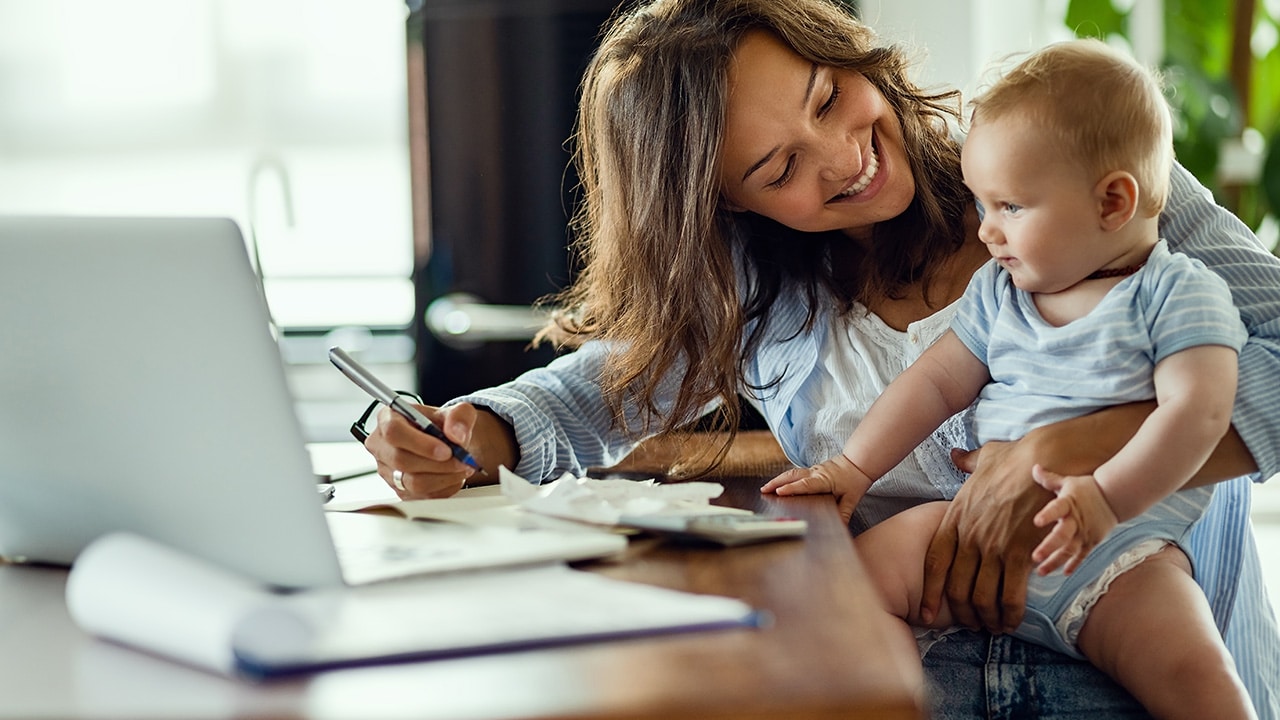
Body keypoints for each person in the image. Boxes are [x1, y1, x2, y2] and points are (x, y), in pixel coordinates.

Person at [362, 0, 1280, 716]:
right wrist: (477, 429)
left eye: (831, 99)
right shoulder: (761, 284)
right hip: (914, 678)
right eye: (778, 171)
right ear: (728, 210)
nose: (844, 159)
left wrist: (1068, 450)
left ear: (844, 52)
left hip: (1139, 664)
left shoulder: (1077, 173)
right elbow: (589, 398)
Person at [761, 38, 1254, 718]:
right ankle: (895, 702)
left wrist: (1104, 499)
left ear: (1112, 204)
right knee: (847, 587)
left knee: (1196, 675)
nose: (987, 232)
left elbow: (1199, 413)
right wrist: (853, 466)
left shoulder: (1177, 295)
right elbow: (934, 385)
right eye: (981, 205)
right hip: (967, 528)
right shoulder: (1002, 292)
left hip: (1122, 553)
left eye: (1010, 209)